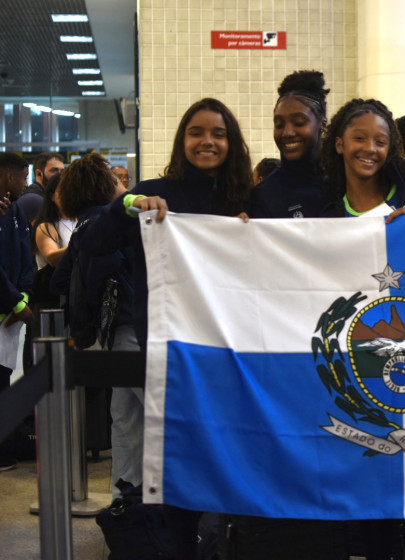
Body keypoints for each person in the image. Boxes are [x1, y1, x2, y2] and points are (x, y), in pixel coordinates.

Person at [77, 97, 253, 559]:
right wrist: (127, 206)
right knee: (176, 464)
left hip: (233, 354)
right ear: (182, 140)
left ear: (231, 142)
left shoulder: (248, 199)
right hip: (170, 352)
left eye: (218, 133)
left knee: (229, 461)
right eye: (196, 132)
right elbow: (91, 245)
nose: (208, 141)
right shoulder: (154, 192)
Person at [320, 97, 405, 559]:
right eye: (359, 138)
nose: (369, 149)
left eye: (380, 140)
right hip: (353, 373)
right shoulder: (322, 213)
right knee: (367, 490)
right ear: (338, 144)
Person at [50, 153, 136, 497]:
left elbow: (59, 282)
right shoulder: (111, 222)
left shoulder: (81, 227)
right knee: (154, 415)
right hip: (131, 325)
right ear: (104, 185)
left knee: (125, 421)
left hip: (107, 333)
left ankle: (124, 503)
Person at [250, 70, 329, 219]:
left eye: (299, 123)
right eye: (279, 125)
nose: (287, 133)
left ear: (323, 124)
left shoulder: (346, 182)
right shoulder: (264, 195)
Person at [0, 152, 35, 472]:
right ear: (5, 176)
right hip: (6, 309)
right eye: (21, 177)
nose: (25, 184)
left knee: (6, 380)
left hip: (11, 316)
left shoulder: (15, 212)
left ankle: (9, 444)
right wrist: (15, 301)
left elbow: (26, 259)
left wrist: (23, 295)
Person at [18, 151, 65, 224]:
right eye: (54, 170)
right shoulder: (34, 199)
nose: (60, 175)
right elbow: (46, 233)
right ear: (39, 174)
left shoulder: (43, 195)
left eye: (62, 171)